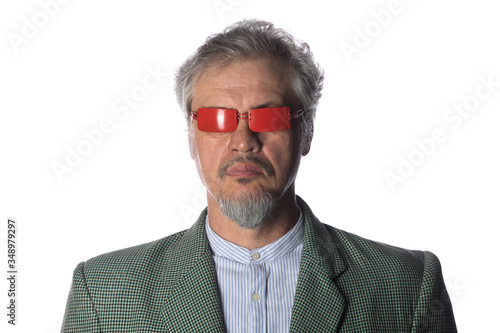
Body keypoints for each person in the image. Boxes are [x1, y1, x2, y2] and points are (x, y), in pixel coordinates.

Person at [61, 19, 457, 332]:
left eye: (269, 116)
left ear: (307, 131)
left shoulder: (406, 286)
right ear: (190, 135)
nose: (243, 141)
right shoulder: (103, 290)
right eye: (218, 119)